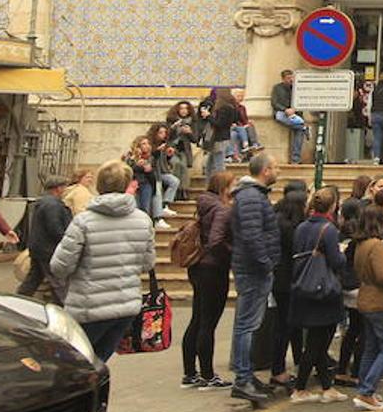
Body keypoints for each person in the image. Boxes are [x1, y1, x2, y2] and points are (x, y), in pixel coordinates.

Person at [48, 160, 155, 362]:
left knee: (74, 364)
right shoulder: (143, 220)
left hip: (88, 307)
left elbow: (59, 266)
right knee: (98, 363)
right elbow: (147, 263)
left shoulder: (84, 221)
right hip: (125, 306)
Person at [288, 186, 348, 404]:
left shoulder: (302, 227)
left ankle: (326, 386)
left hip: (304, 287)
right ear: (333, 206)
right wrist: (342, 253)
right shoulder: (328, 229)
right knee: (318, 342)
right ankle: (300, 388)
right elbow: (337, 261)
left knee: (316, 340)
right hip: (324, 290)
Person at [230, 153, 282, 403]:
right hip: (252, 270)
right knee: (246, 325)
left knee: (249, 324)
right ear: (265, 170)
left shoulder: (254, 195)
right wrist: (266, 263)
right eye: (275, 167)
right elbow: (252, 236)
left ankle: (247, 375)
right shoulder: (251, 197)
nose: (278, 171)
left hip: (253, 268)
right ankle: (242, 378)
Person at [181, 171, 235, 389]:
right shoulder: (221, 210)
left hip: (198, 267)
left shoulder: (205, 205)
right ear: (224, 188)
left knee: (197, 318)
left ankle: (190, 372)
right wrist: (232, 252)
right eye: (233, 185)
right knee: (208, 322)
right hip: (213, 269)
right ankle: (207, 374)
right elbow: (216, 240)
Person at [349, 203, 383, 411]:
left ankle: (365, 388)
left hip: (366, 299)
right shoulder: (376, 245)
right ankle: (367, 391)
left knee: (371, 347)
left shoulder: (361, 244)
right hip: (381, 301)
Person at [270, 180, 309, 390]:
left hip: (281, 279)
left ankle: (283, 366)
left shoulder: (279, 219)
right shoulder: (289, 227)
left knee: (286, 325)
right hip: (286, 281)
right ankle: (278, 370)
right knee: (284, 326)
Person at [17, 176, 71, 300]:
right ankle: (64, 307)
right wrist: (66, 241)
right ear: (58, 188)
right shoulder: (53, 205)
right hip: (48, 249)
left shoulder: (45, 202)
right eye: (64, 187)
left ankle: (18, 301)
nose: (66, 190)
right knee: (58, 283)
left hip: (39, 248)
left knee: (33, 280)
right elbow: (55, 228)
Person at [271, 70, 307, 164]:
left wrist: (294, 110)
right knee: (300, 127)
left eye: (292, 78)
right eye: (288, 78)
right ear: (283, 79)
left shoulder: (296, 89)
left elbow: (300, 102)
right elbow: (274, 103)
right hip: (281, 112)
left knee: (299, 131)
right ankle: (304, 127)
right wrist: (285, 109)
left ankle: (296, 159)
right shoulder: (277, 88)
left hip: (294, 114)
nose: (291, 80)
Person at [207, 90, 242, 179]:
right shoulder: (231, 107)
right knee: (210, 166)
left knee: (219, 166)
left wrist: (208, 116)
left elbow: (219, 124)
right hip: (223, 138)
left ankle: (220, 187)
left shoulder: (225, 108)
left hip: (219, 139)